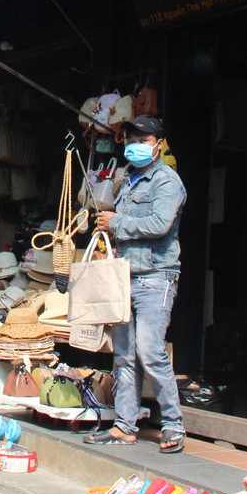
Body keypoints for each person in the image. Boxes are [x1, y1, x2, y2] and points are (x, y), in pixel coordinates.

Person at [83, 115, 188, 454]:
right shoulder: (127, 179)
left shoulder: (167, 181)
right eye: (130, 141)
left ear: (159, 144)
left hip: (157, 276)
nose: (134, 146)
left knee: (150, 351)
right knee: (124, 355)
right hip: (125, 276)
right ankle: (125, 424)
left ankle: (173, 425)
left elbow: (159, 223)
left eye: (142, 141)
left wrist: (118, 222)